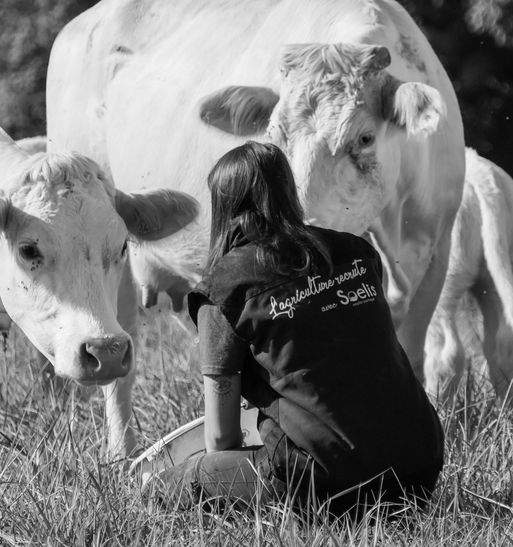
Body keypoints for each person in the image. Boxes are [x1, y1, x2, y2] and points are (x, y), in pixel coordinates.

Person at [147, 141, 444, 514]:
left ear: (224, 207)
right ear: (288, 191)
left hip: (327, 481)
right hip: (420, 467)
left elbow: (222, 437)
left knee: (168, 483)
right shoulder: (357, 252)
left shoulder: (224, 287)